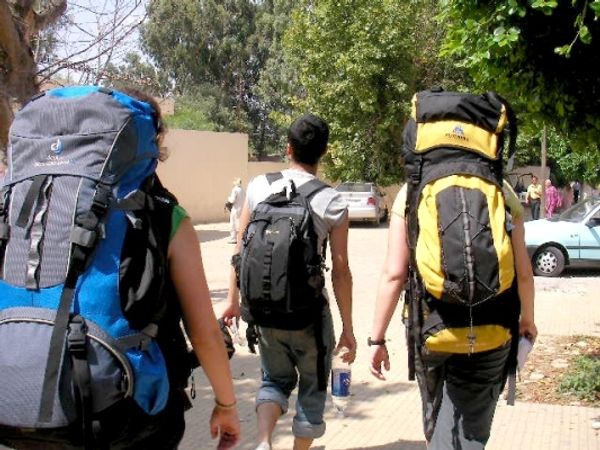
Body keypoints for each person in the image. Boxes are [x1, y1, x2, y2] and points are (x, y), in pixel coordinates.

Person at [0, 88, 241, 450]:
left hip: (17, 405)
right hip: (125, 415)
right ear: (149, 144)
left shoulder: (17, 207)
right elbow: (204, 333)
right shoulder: (163, 216)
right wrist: (227, 405)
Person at [369, 180, 537, 449]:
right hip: (492, 328)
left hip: (429, 327)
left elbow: (395, 274)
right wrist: (527, 319)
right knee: (469, 429)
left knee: (435, 419)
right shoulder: (501, 187)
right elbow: (524, 273)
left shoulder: (412, 189)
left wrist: (377, 339)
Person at [222, 114, 356, 450]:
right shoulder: (332, 200)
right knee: (312, 387)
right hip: (309, 315)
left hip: (264, 312)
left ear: (288, 148)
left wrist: (232, 301)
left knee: (273, 381)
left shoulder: (258, 187)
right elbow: (341, 271)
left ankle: (264, 442)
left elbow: (240, 251)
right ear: (324, 152)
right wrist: (348, 328)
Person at [227, 178, 245, 244]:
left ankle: (233, 238)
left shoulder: (235, 189)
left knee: (233, 224)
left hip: (235, 209)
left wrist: (228, 199)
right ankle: (241, 238)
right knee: (240, 223)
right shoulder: (242, 190)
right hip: (241, 209)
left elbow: (232, 200)